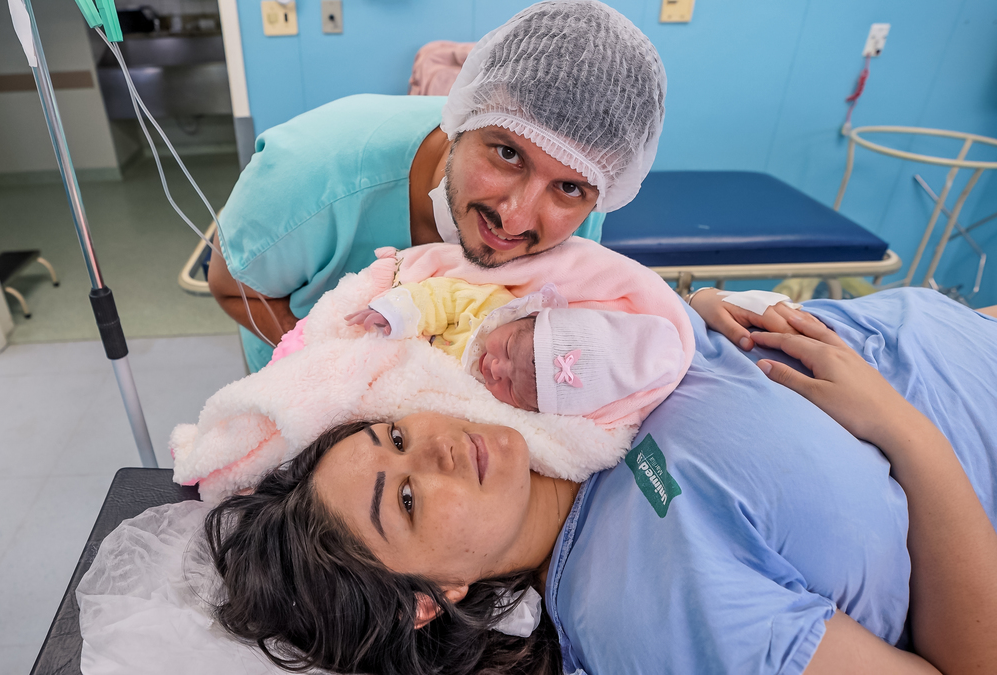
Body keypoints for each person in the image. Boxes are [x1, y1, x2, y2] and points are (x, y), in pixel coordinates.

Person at [204, 289, 997, 675]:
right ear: (432, 595)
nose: (435, 449)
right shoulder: (640, 612)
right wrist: (906, 432)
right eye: (405, 499)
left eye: (399, 435)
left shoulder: (546, 402)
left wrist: (691, 311)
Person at [206, 0, 667, 372]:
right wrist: (333, 370)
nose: (515, 220)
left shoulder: (579, 213)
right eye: (508, 155)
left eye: (568, 188)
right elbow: (231, 286)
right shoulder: (309, 173)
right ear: (464, 115)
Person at [346, 278, 685, 415]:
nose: (496, 368)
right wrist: (397, 315)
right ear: (527, 316)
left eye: (512, 388)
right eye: (508, 347)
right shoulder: (490, 309)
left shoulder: (499, 412)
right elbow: (441, 297)